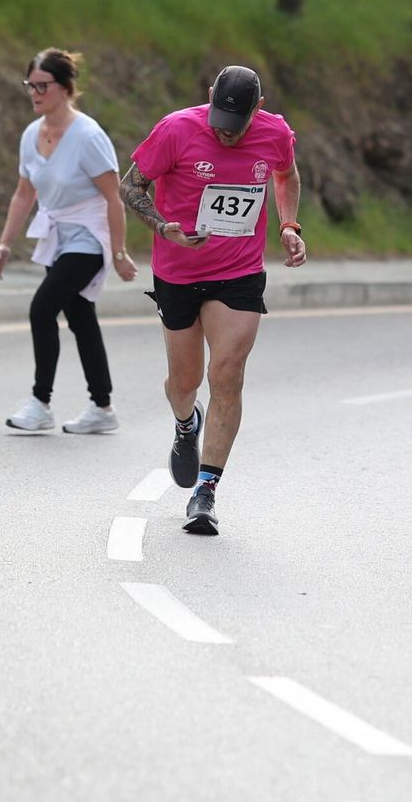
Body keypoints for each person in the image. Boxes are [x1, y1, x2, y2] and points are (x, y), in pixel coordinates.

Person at [119, 65, 306, 535]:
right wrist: (164, 229)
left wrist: (287, 225)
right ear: (209, 98)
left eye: (236, 128)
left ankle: (206, 491)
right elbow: (130, 185)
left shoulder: (274, 132)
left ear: (256, 111)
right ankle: (186, 424)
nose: (226, 137)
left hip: (239, 272)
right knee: (183, 382)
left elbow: (286, 175)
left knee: (227, 373)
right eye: (220, 126)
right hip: (178, 271)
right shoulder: (176, 129)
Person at [0, 49, 138, 433]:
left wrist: (119, 252)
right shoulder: (31, 135)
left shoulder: (88, 136)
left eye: (43, 86)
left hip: (89, 235)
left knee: (42, 309)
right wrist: (4, 245)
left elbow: (112, 196)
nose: (35, 93)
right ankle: (103, 409)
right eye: (31, 86)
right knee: (80, 317)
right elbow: (24, 195)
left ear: (66, 88)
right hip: (57, 236)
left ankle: (40, 402)